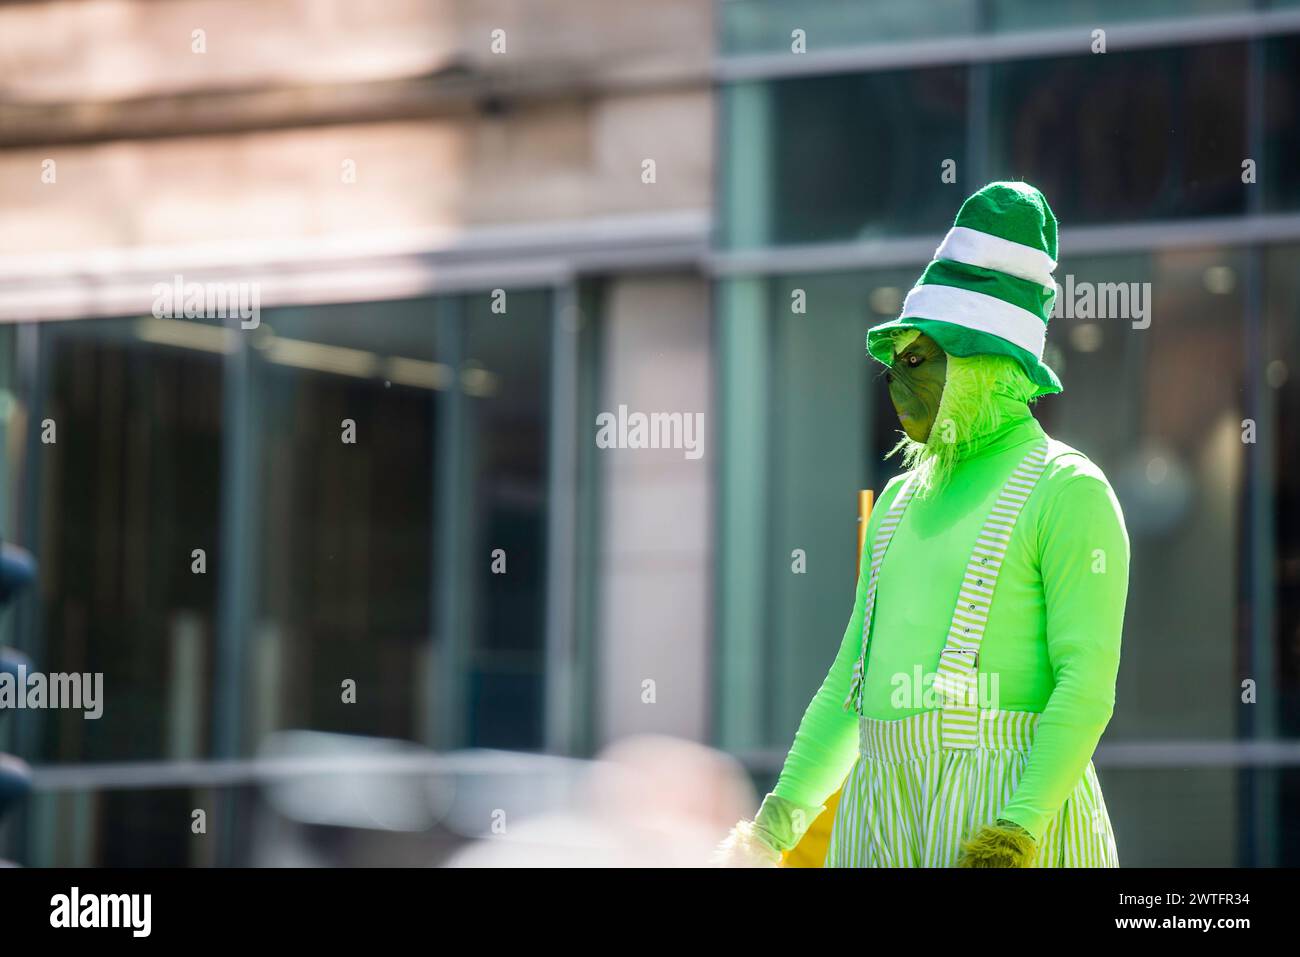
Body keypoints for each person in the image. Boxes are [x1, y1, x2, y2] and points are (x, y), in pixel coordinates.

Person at [716, 182, 1130, 868]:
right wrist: (766, 837)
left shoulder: (1068, 489)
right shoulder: (897, 504)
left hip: (1010, 821)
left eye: (920, 359)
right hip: (878, 818)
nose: (896, 380)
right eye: (894, 363)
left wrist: (1017, 832)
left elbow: (1086, 683)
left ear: (986, 361)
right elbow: (848, 686)